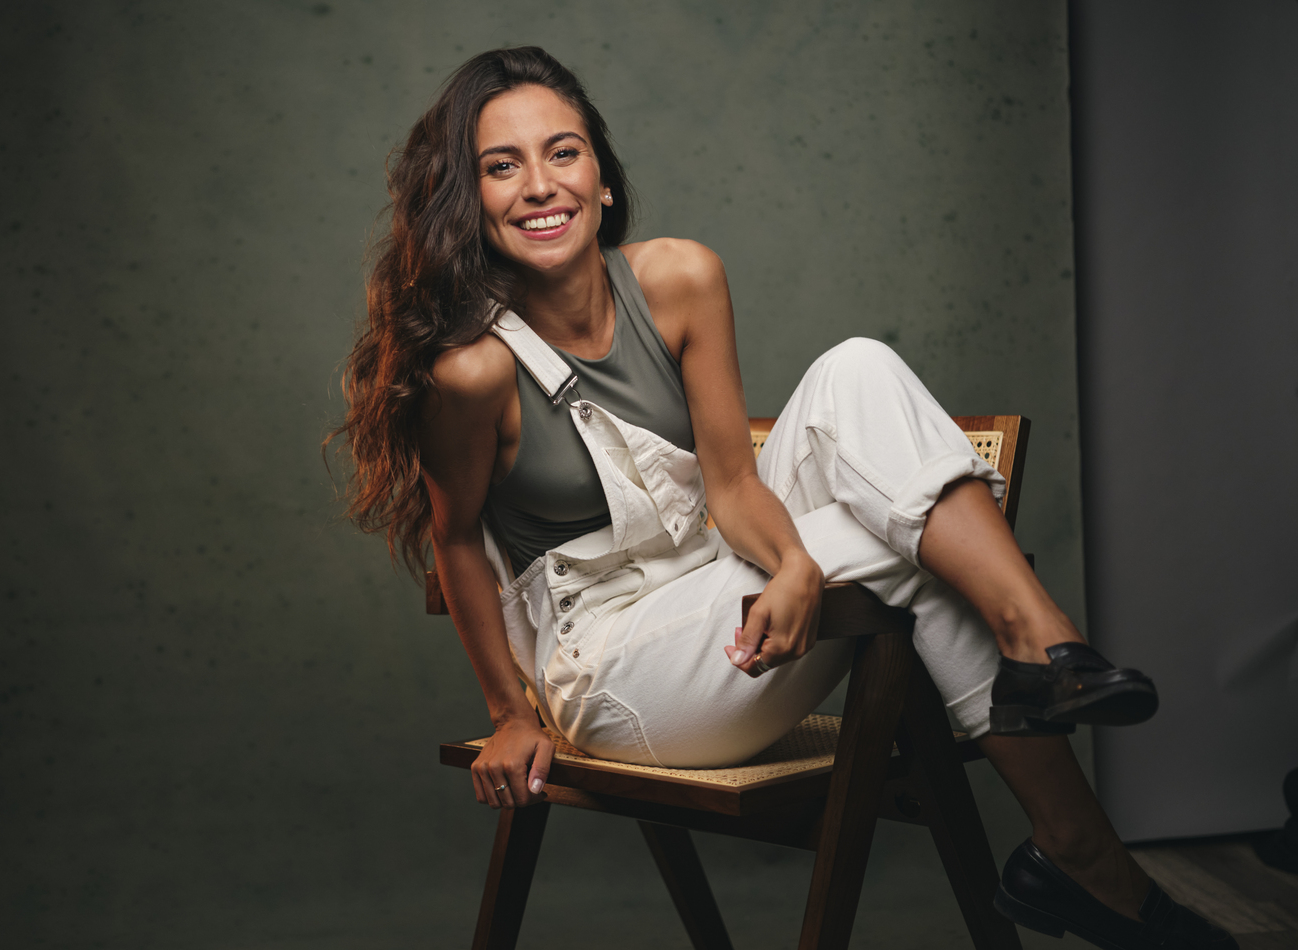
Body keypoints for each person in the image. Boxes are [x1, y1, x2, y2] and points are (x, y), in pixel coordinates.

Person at [329, 46, 1235, 950]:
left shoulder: (681, 280)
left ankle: (1044, 661)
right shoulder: (472, 372)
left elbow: (731, 486)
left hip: (713, 589)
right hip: (616, 673)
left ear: (601, 179)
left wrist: (795, 563)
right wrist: (508, 716)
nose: (538, 185)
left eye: (561, 152)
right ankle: (1073, 823)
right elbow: (456, 542)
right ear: (472, 201)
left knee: (856, 367)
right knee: (905, 539)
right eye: (501, 166)